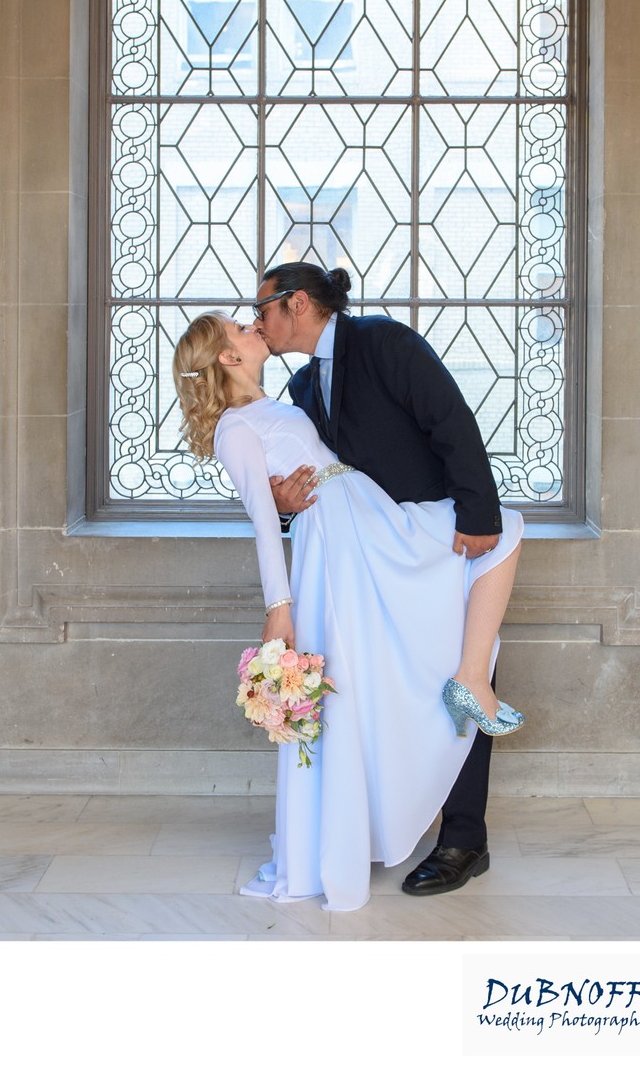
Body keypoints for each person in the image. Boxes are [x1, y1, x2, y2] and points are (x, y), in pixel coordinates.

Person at [173, 303, 523, 912]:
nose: (251, 325)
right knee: (357, 679)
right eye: (238, 326)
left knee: (499, 536)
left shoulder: (292, 393)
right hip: (336, 542)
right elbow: (263, 520)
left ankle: (470, 679)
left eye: (258, 313)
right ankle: (347, 829)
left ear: (299, 305)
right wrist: (279, 606)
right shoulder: (237, 426)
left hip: (363, 519)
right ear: (228, 357)